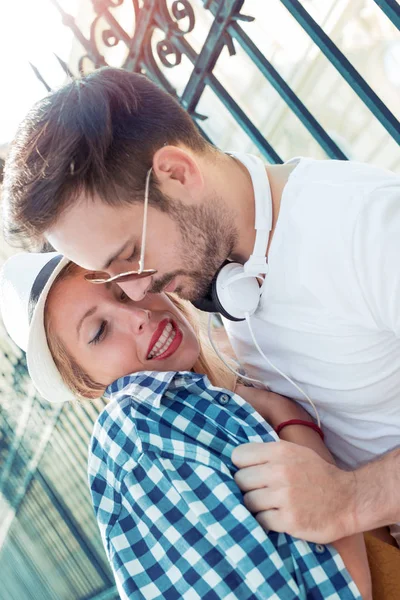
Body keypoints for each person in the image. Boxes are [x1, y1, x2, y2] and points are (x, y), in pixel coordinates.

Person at [2, 66, 400, 545]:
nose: (136, 294)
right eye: (113, 278)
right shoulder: (223, 271)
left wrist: (351, 498)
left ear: (178, 174)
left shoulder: (366, 227)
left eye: (129, 256)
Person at [0, 251, 371, 600]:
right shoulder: (136, 434)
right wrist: (290, 420)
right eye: (99, 331)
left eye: (124, 291)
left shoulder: (214, 389)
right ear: (86, 382)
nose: (137, 317)